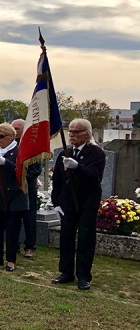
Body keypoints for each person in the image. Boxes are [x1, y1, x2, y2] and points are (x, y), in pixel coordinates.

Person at [51, 119, 106, 290]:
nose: (72, 135)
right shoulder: (64, 154)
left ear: (87, 133)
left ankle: (83, 276)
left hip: (87, 202)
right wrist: (56, 202)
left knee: (85, 239)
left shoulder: (96, 153)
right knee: (66, 237)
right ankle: (66, 272)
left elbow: (95, 177)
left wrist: (78, 166)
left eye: (76, 132)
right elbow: (57, 181)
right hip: (68, 202)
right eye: (71, 132)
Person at [0, 123, 28, 272]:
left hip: (14, 196)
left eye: (1, 137)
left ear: (11, 137)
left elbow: (22, 173)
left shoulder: (19, 152)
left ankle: (11, 260)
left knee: (12, 229)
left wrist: (7, 163)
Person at [12, 119, 42, 257]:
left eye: (17, 128)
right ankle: (14, 244)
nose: (14, 131)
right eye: (12, 128)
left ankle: (30, 246)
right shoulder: (10, 146)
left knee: (29, 218)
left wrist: (21, 177)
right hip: (12, 188)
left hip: (27, 187)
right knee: (13, 217)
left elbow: (36, 170)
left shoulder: (32, 146)